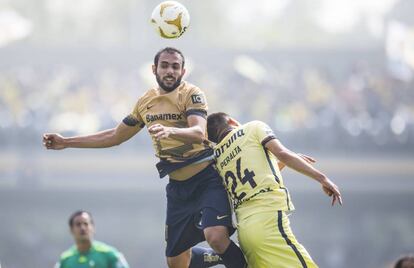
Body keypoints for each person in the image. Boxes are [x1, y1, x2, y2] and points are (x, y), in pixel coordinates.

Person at [43, 47, 246, 268]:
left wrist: (171, 131)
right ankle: (216, 257)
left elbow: (198, 132)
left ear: (183, 71)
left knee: (215, 237)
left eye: (175, 66)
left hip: (207, 180)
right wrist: (67, 142)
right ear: (154, 69)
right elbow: (115, 135)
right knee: (177, 262)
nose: (170, 71)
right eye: (165, 65)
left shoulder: (192, 94)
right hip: (178, 188)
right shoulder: (145, 102)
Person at [206, 112, 343, 268]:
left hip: (245, 232)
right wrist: (323, 179)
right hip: (268, 220)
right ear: (231, 120)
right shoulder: (252, 127)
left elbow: (252, 179)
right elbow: (282, 153)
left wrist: (285, 163)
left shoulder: (216, 157)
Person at [55, 210, 129, 268]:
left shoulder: (109, 255)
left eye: (86, 224)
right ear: (71, 230)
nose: (83, 228)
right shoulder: (66, 259)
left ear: (93, 228)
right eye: (78, 224)